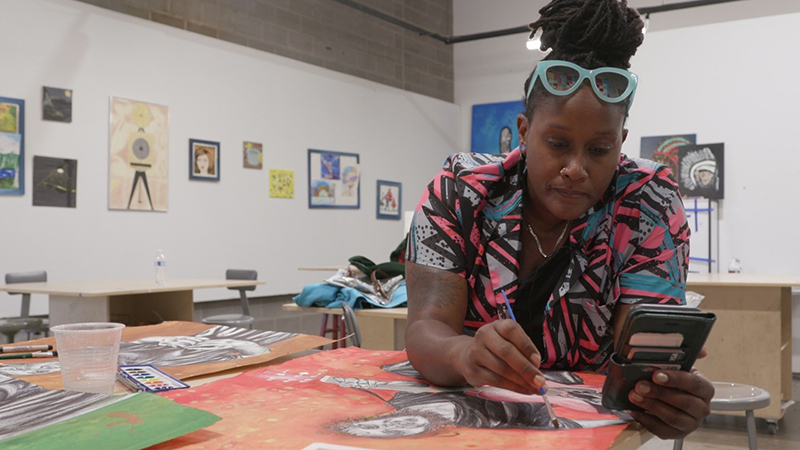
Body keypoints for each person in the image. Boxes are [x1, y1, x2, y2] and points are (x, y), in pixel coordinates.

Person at [404, 0, 713, 441]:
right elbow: (423, 332)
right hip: (465, 424)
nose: (576, 168)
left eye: (599, 150)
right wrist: (463, 354)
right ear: (525, 131)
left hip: (585, 436)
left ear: (621, 142)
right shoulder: (459, 190)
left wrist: (663, 395)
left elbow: (642, 360)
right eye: (557, 143)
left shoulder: (649, 204)